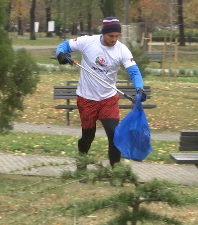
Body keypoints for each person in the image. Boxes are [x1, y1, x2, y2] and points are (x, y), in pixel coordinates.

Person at [55, 17, 146, 169]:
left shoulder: (121, 49)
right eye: (111, 36)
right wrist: (61, 55)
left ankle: (116, 171)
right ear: (103, 33)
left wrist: (140, 89)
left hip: (108, 99)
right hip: (86, 99)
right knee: (88, 136)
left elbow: (134, 72)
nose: (114, 39)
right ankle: (81, 163)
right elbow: (63, 46)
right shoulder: (87, 42)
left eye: (117, 36)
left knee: (114, 134)